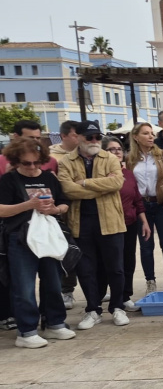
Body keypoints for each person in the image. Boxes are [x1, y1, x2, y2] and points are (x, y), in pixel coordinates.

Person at [0, 138, 74, 348]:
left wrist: (56, 209)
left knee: (52, 281)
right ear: (16, 161)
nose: (32, 168)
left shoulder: (49, 178)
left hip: (48, 234)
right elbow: (2, 210)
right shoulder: (8, 180)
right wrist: (29, 205)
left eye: (36, 163)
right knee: (23, 286)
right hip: (20, 237)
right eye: (26, 163)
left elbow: (64, 202)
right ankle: (26, 331)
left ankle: (55, 322)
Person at [57, 121, 128, 330]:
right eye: (90, 137)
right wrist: (102, 185)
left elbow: (116, 183)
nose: (95, 141)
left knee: (115, 268)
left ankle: (117, 307)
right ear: (78, 137)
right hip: (81, 222)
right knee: (86, 269)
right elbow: (67, 189)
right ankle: (93, 309)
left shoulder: (110, 158)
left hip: (111, 222)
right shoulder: (66, 162)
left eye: (98, 137)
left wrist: (86, 183)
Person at [99, 136, 151, 312]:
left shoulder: (128, 173)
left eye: (119, 149)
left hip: (130, 222)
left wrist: (144, 222)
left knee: (128, 261)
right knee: (111, 264)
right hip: (109, 223)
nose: (116, 152)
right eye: (111, 150)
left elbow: (137, 200)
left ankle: (125, 296)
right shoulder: (100, 174)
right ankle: (104, 296)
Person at [126, 121, 163, 293]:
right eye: (145, 133)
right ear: (135, 137)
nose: (150, 136)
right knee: (146, 246)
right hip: (141, 205)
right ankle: (150, 281)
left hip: (161, 203)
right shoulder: (130, 159)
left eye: (151, 133)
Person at [46, 120, 81, 309]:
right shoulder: (52, 157)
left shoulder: (85, 154)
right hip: (61, 213)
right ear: (64, 136)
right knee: (64, 253)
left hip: (81, 209)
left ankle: (95, 289)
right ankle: (67, 291)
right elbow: (65, 186)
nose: (79, 138)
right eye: (76, 135)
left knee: (84, 253)